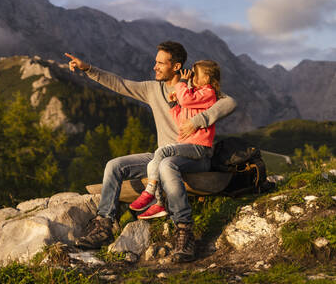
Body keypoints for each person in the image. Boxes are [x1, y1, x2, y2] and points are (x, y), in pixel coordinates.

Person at [64, 41, 236, 262]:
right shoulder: (152, 89)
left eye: (160, 63)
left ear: (176, 66)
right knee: (114, 166)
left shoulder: (194, 89)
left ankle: (184, 230)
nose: (154, 67)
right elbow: (120, 84)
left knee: (167, 164)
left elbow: (230, 102)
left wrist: (198, 120)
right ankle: (104, 225)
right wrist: (88, 69)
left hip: (195, 156)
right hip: (161, 153)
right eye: (155, 62)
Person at [130, 60, 221, 220]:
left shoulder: (208, 93)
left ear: (206, 78)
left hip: (199, 146)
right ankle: (159, 204)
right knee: (154, 164)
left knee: (163, 151)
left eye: (194, 73)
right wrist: (173, 105)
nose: (190, 76)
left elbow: (186, 99)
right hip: (187, 144)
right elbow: (180, 122)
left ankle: (150, 191)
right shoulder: (195, 96)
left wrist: (182, 83)